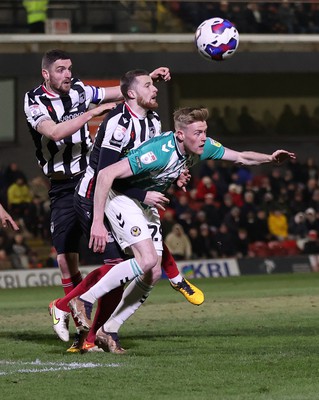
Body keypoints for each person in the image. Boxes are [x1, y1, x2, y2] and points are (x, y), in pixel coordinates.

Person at [68, 107, 295, 353]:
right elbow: (106, 174)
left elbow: (240, 157)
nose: (203, 138)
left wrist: (270, 158)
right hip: (122, 198)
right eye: (197, 133)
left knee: (153, 273)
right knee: (147, 260)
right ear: (179, 135)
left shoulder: (203, 146)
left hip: (146, 202)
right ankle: (84, 299)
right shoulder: (157, 152)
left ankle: (109, 330)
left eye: (205, 132)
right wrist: (98, 221)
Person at [24, 49, 170, 352]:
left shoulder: (78, 89)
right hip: (62, 186)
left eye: (70, 68)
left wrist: (147, 80)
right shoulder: (34, 100)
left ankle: (88, 329)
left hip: (92, 179)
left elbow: (114, 91)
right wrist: (91, 113)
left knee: (118, 260)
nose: (68, 74)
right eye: (61, 70)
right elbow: (52, 132)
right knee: (66, 262)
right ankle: (78, 321)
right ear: (46, 74)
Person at [50, 69, 204, 353]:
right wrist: (97, 221)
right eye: (148, 85)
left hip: (124, 197)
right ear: (132, 93)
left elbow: (149, 167)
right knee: (118, 268)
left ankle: (89, 328)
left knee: (133, 269)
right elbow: (104, 175)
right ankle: (78, 321)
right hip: (94, 197)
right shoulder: (117, 124)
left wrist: (175, 174)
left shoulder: (154, 121)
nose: (155, 89)